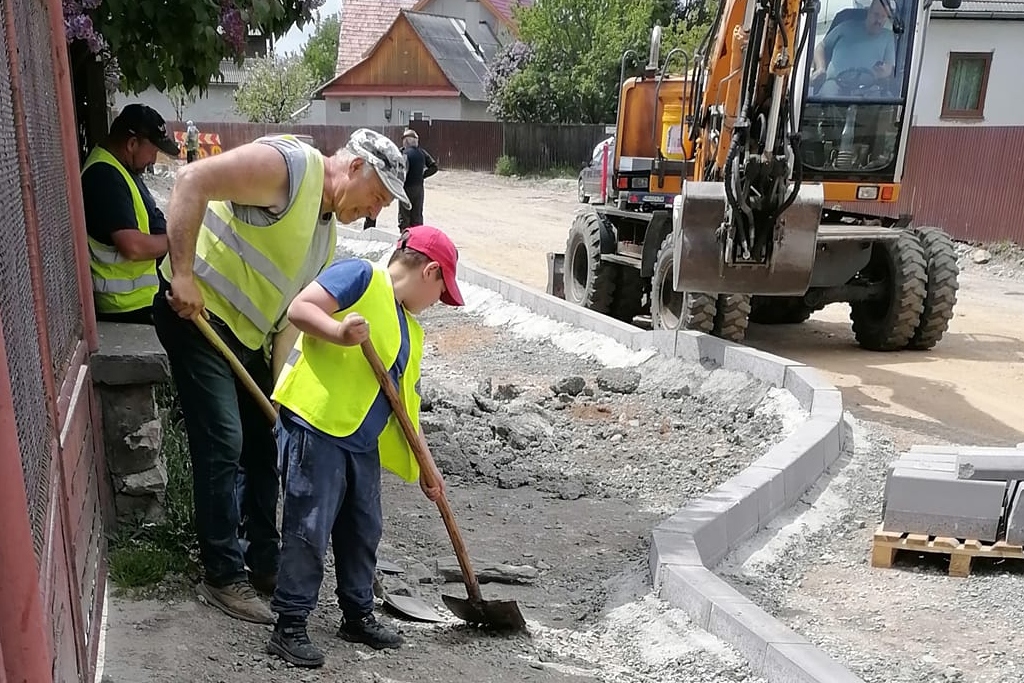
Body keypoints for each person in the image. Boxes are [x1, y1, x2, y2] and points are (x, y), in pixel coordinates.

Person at [152, 128, 411, 626]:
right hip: (195, 313)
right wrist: (182, 273)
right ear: (355, 168)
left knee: (264, 443)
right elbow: (190, 180)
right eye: (376, 196)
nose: (374, 212)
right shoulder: (289, 168)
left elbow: (287, 324)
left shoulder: (325, 233)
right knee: (224, 438)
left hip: (245, 336)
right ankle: (222, 574)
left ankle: (265, 563)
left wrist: (281, 399)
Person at [265, 225, 463, 668]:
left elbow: (406, 407)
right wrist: (337, 333)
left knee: (363, 529)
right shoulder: (361, 276)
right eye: (442, 292)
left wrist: (427, 468)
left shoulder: (410, 329)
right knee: (309, 528)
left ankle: (357, 614)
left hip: (360, 442)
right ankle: (290, 624)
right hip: (316, 427)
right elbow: (301, 308)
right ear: (430, 271)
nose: (438, 304)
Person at [81, 103, 180, 324]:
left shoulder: (121, 169)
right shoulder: (104, 176)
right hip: (126, 307)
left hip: (138, 302)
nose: (154, 160)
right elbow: (133, 247)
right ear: (132, 144)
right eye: (153, 151)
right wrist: (178, 241)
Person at [811, 0, 895, 97]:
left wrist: (883, 71)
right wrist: (821, 68)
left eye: (883, 16)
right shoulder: (845, 27)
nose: (879, 20)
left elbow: (889, 67)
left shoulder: (888, 37)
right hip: (835, 84)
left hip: (869, 88)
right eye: (876, 14)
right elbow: (821, 46)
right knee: (826, 96)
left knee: (880, 100)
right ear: (868, 12)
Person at [397, 129, 438, 230]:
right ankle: (417, 240)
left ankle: (405, 240)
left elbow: (402, 171)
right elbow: (434, 167)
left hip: (406, 189)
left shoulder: (404, 153)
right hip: (419, 189)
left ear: (406, 141)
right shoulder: (422, 152)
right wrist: (422, 175)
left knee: (405, 216)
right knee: (417, 216)